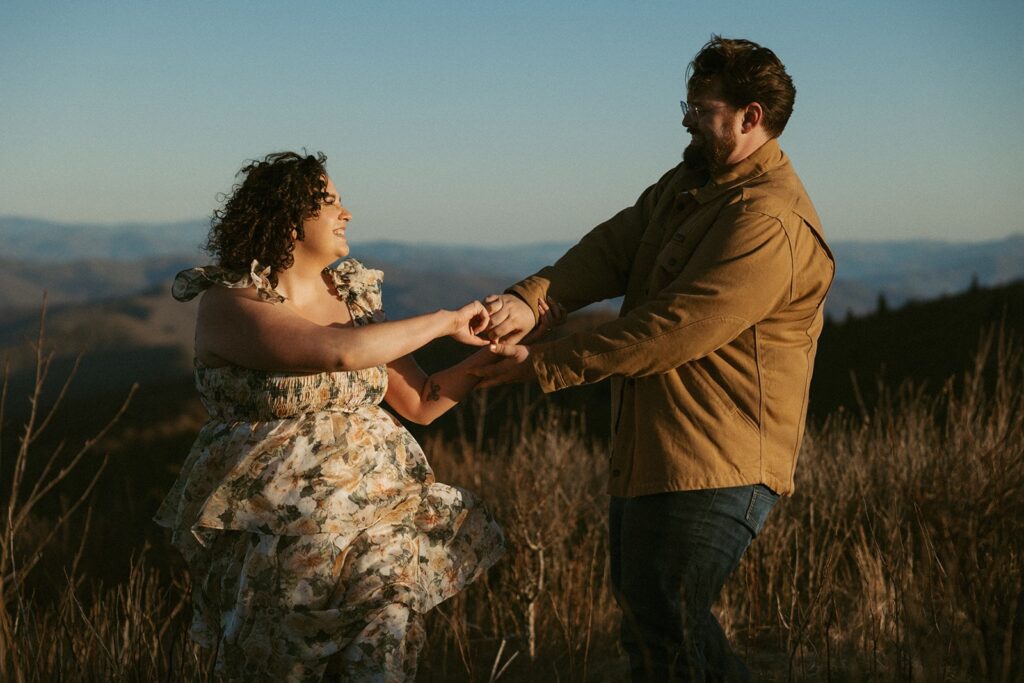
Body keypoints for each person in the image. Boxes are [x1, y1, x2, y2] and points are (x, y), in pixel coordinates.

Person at [475, 36, 834, 681]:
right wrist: (533, 303)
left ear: (751, 117)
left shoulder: (767, 221)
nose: (687, 119)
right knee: (655, 630)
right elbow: (613, 248)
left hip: (717, 463)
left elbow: (670, 331)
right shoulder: (690, 184)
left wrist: (541, 362)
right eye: (688, 103)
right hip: (656, 452)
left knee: (667, 624)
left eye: (701, 107)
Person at [155, 151, 505, 681]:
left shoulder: (354, 299)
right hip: (283, 538)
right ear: (289, 217)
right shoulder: (230, 302)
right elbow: (335, 353)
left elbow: (422, 401)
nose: (346, 213)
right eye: (330, 202)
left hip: (377, 528)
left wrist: (490, 364)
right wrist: (444, 320)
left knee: (381, 659)